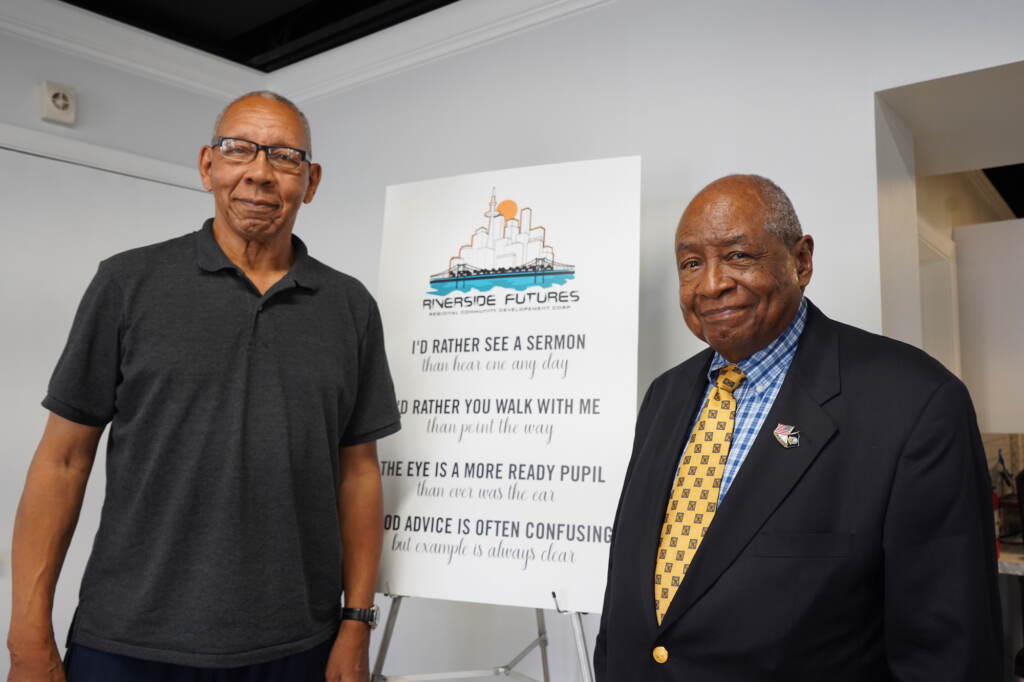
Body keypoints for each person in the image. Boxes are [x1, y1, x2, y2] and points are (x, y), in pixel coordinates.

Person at [7, 91, 400, 682]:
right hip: (129, 641)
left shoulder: (350, 307)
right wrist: (27, 634)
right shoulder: (127, 283)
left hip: (299, 643)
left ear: (311, 181)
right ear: (207, 166)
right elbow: (62, 461)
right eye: (238, 149)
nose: (260, 173)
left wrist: (356, 621)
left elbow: (359, 472)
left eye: (285, 157)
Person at [594, 174, 1002, 681]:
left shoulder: (915, 401)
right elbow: (630, 589)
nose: (711, 284)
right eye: (692, 263)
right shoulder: (666, 395)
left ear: (801, 261)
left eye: (739, 256)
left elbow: (949, 650)